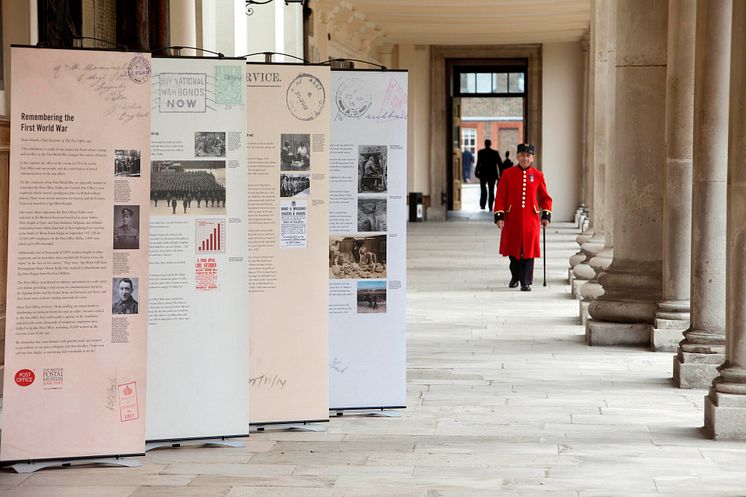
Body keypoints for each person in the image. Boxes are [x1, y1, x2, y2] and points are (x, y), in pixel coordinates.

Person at [494, 143, 552, 292]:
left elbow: (546, 198)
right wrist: (499, 216)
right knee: (513, 251)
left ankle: (526, 281)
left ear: (532, 158)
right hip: (512, 217)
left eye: (528, 156)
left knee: (528, 250)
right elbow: (500, 196)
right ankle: (515, 276)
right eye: (522, 155)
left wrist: (546, 214)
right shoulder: (507, 174)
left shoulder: (538, 175)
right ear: (517, 157)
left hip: (531, 219)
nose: (525, 158)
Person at [474, 139, 502, 210]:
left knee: (483, 189)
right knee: (491, 190)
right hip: (492, 174)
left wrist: (476, 171)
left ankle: (483, 205)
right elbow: (500, 164)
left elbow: (478, 163)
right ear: (490, 144)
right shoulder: (495, 153)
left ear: (485, 144)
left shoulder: (481, 152)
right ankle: (490, 206)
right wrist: (501, 174)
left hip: (483, 173)